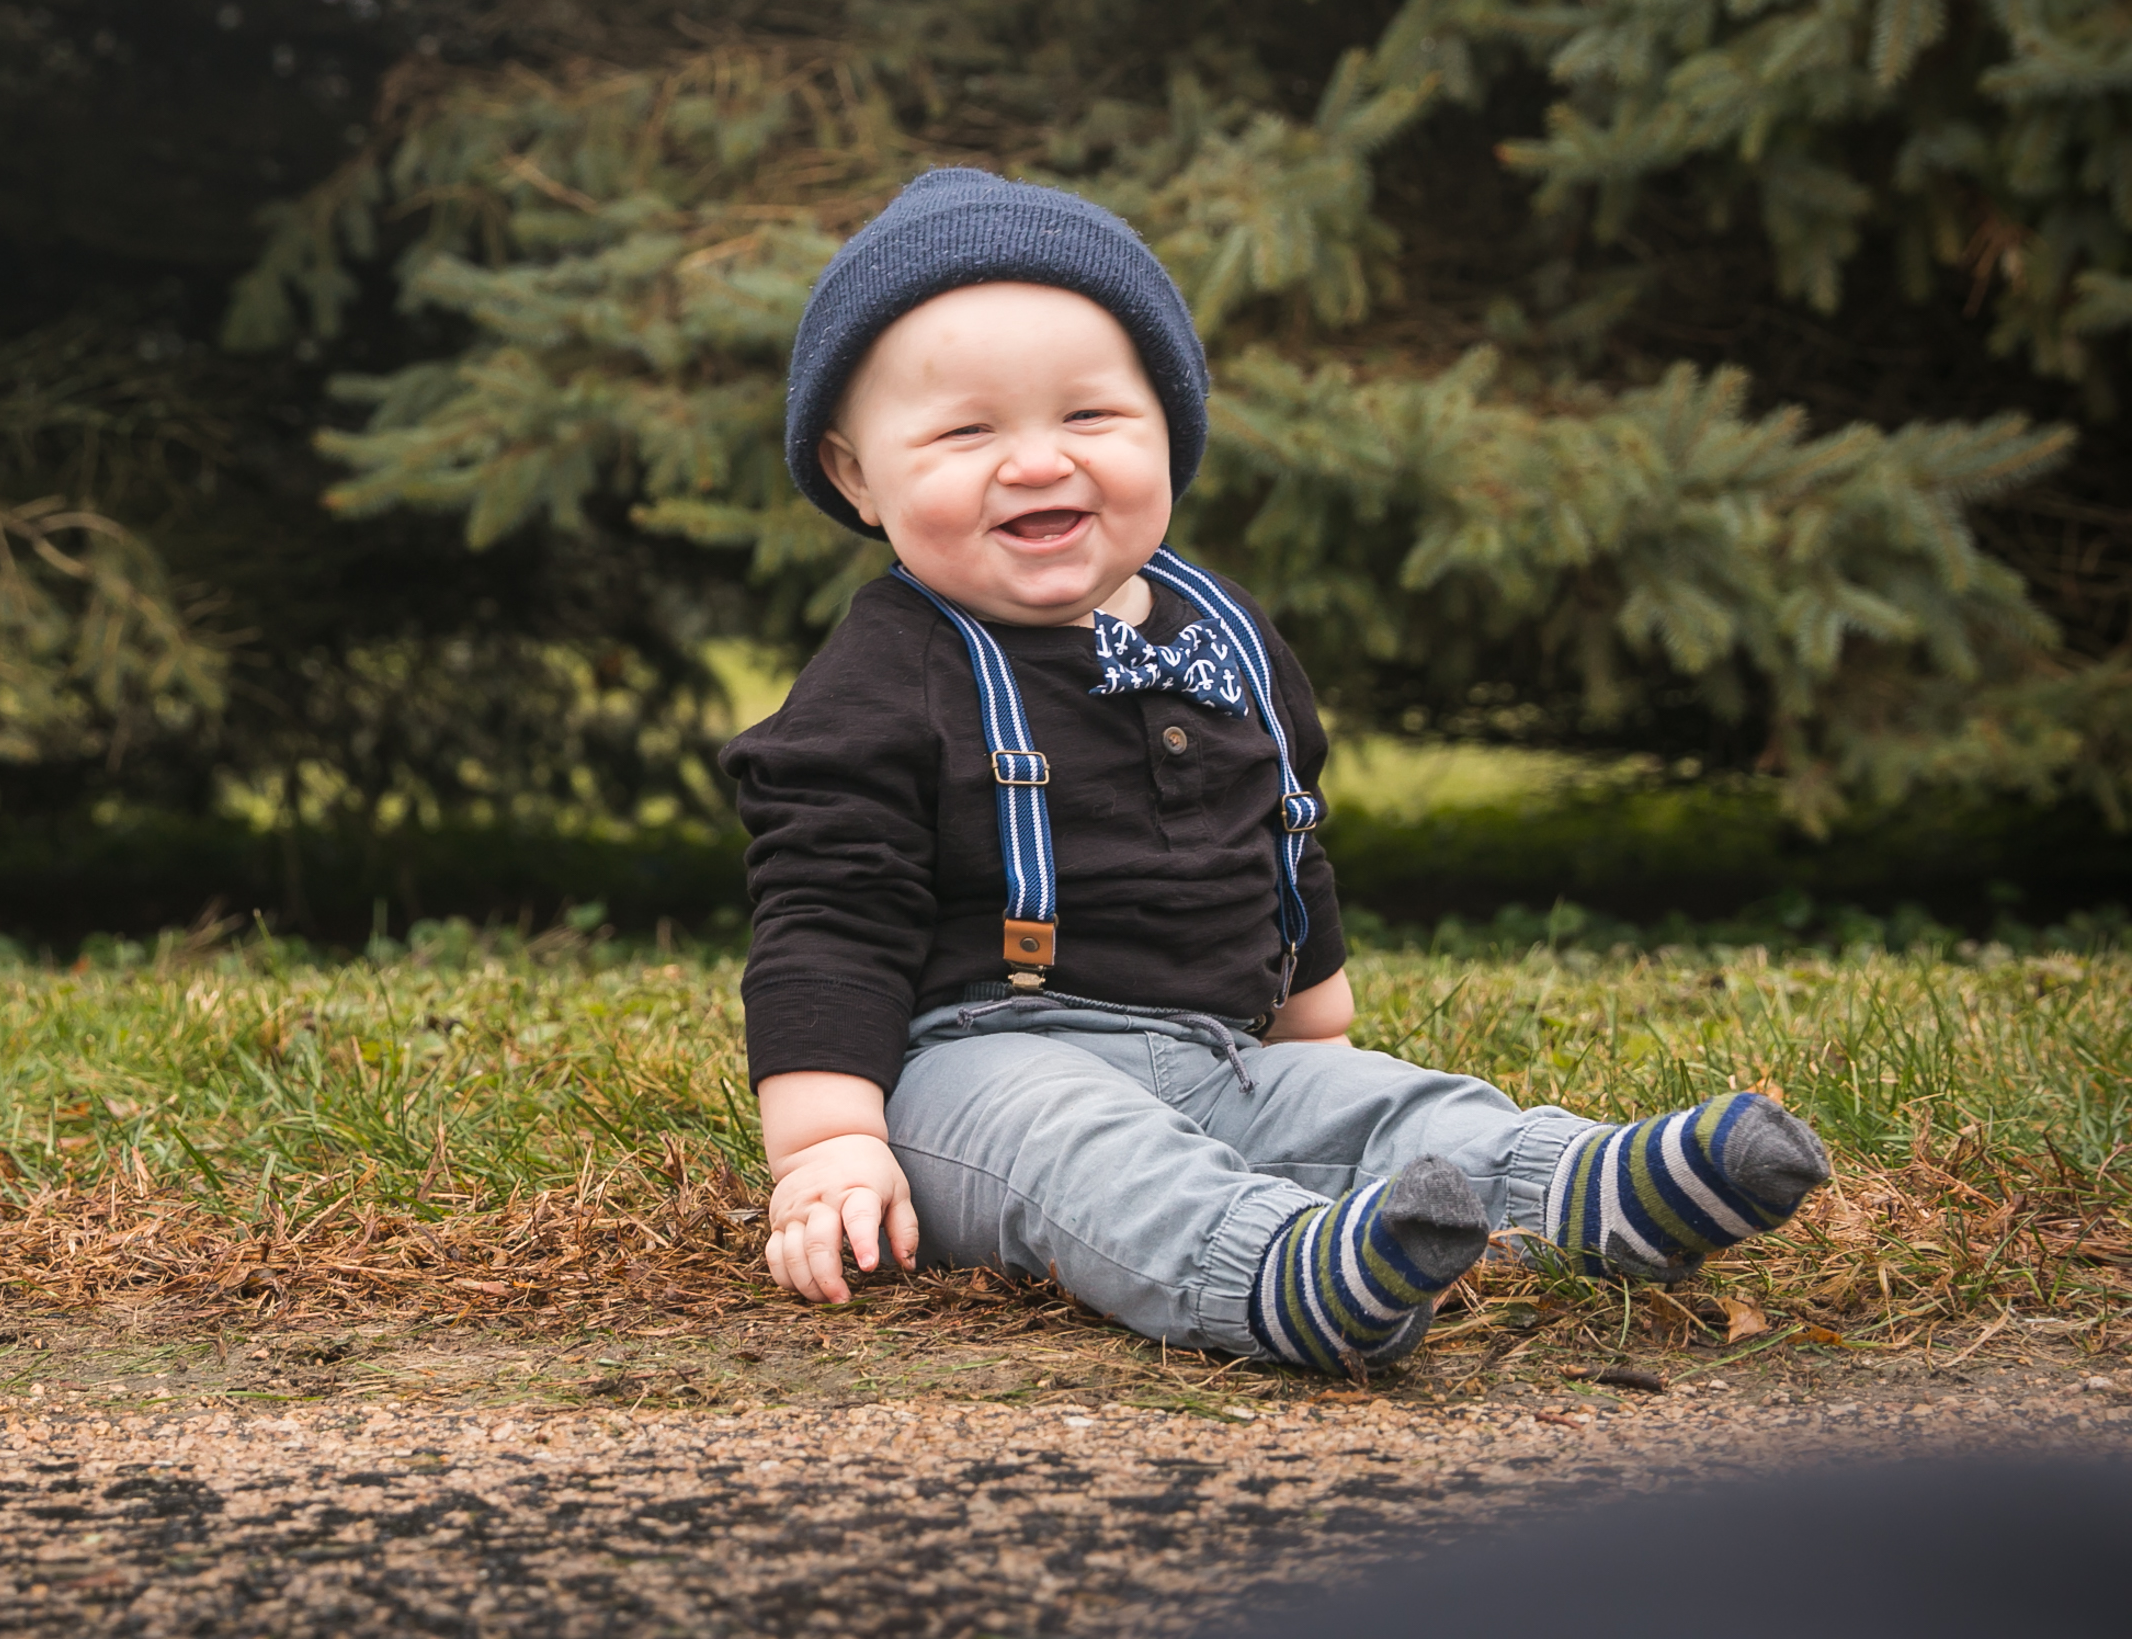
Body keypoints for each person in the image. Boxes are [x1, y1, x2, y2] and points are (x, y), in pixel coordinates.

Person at [717, 167, 1832, 1374]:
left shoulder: (1227, 636)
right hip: (970, 1074)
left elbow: (1286, 833)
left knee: (1388, 1110)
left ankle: (1581, 1190)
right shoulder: (886, 672)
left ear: (1170, 429)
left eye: (1090, 418)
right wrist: (829, 1139)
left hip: (1216, 1048)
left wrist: (1316, 1035)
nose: (1037, 462)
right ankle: (1265, 1270)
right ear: (856, 476)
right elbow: (827, 909)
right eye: (965, 431)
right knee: (1082, 1144)